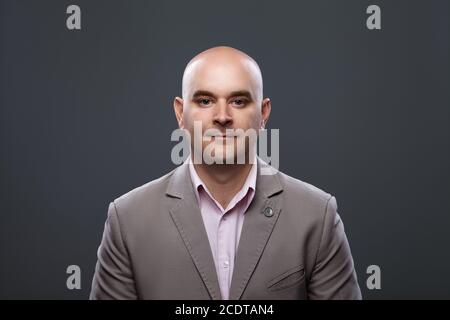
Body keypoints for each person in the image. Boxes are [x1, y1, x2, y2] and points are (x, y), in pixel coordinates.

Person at [90, 46, 362, 300]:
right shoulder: (127, 221)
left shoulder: (317, 216)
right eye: (205, 100)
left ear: (263, 113)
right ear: (181, 113)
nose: (222, 116)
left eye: (239, 101)